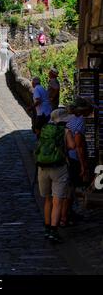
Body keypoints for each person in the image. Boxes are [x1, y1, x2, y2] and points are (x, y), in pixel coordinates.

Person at [35, 108, 76, 243]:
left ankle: (47, 228)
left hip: (43, 168)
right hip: (59, 168)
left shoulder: (45, 129)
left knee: (47, 199)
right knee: (57, 201)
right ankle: (53, 230)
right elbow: (72, 146)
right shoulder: (65, 131)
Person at [60, 97, 93, 226]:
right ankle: (64, 217)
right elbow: (79, 145)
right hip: (74, 159)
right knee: (71, 189)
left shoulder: (72, 119)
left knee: (70, 188)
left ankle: (66, 214)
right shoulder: (80, 122)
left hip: (69, 157)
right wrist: (84, 166)